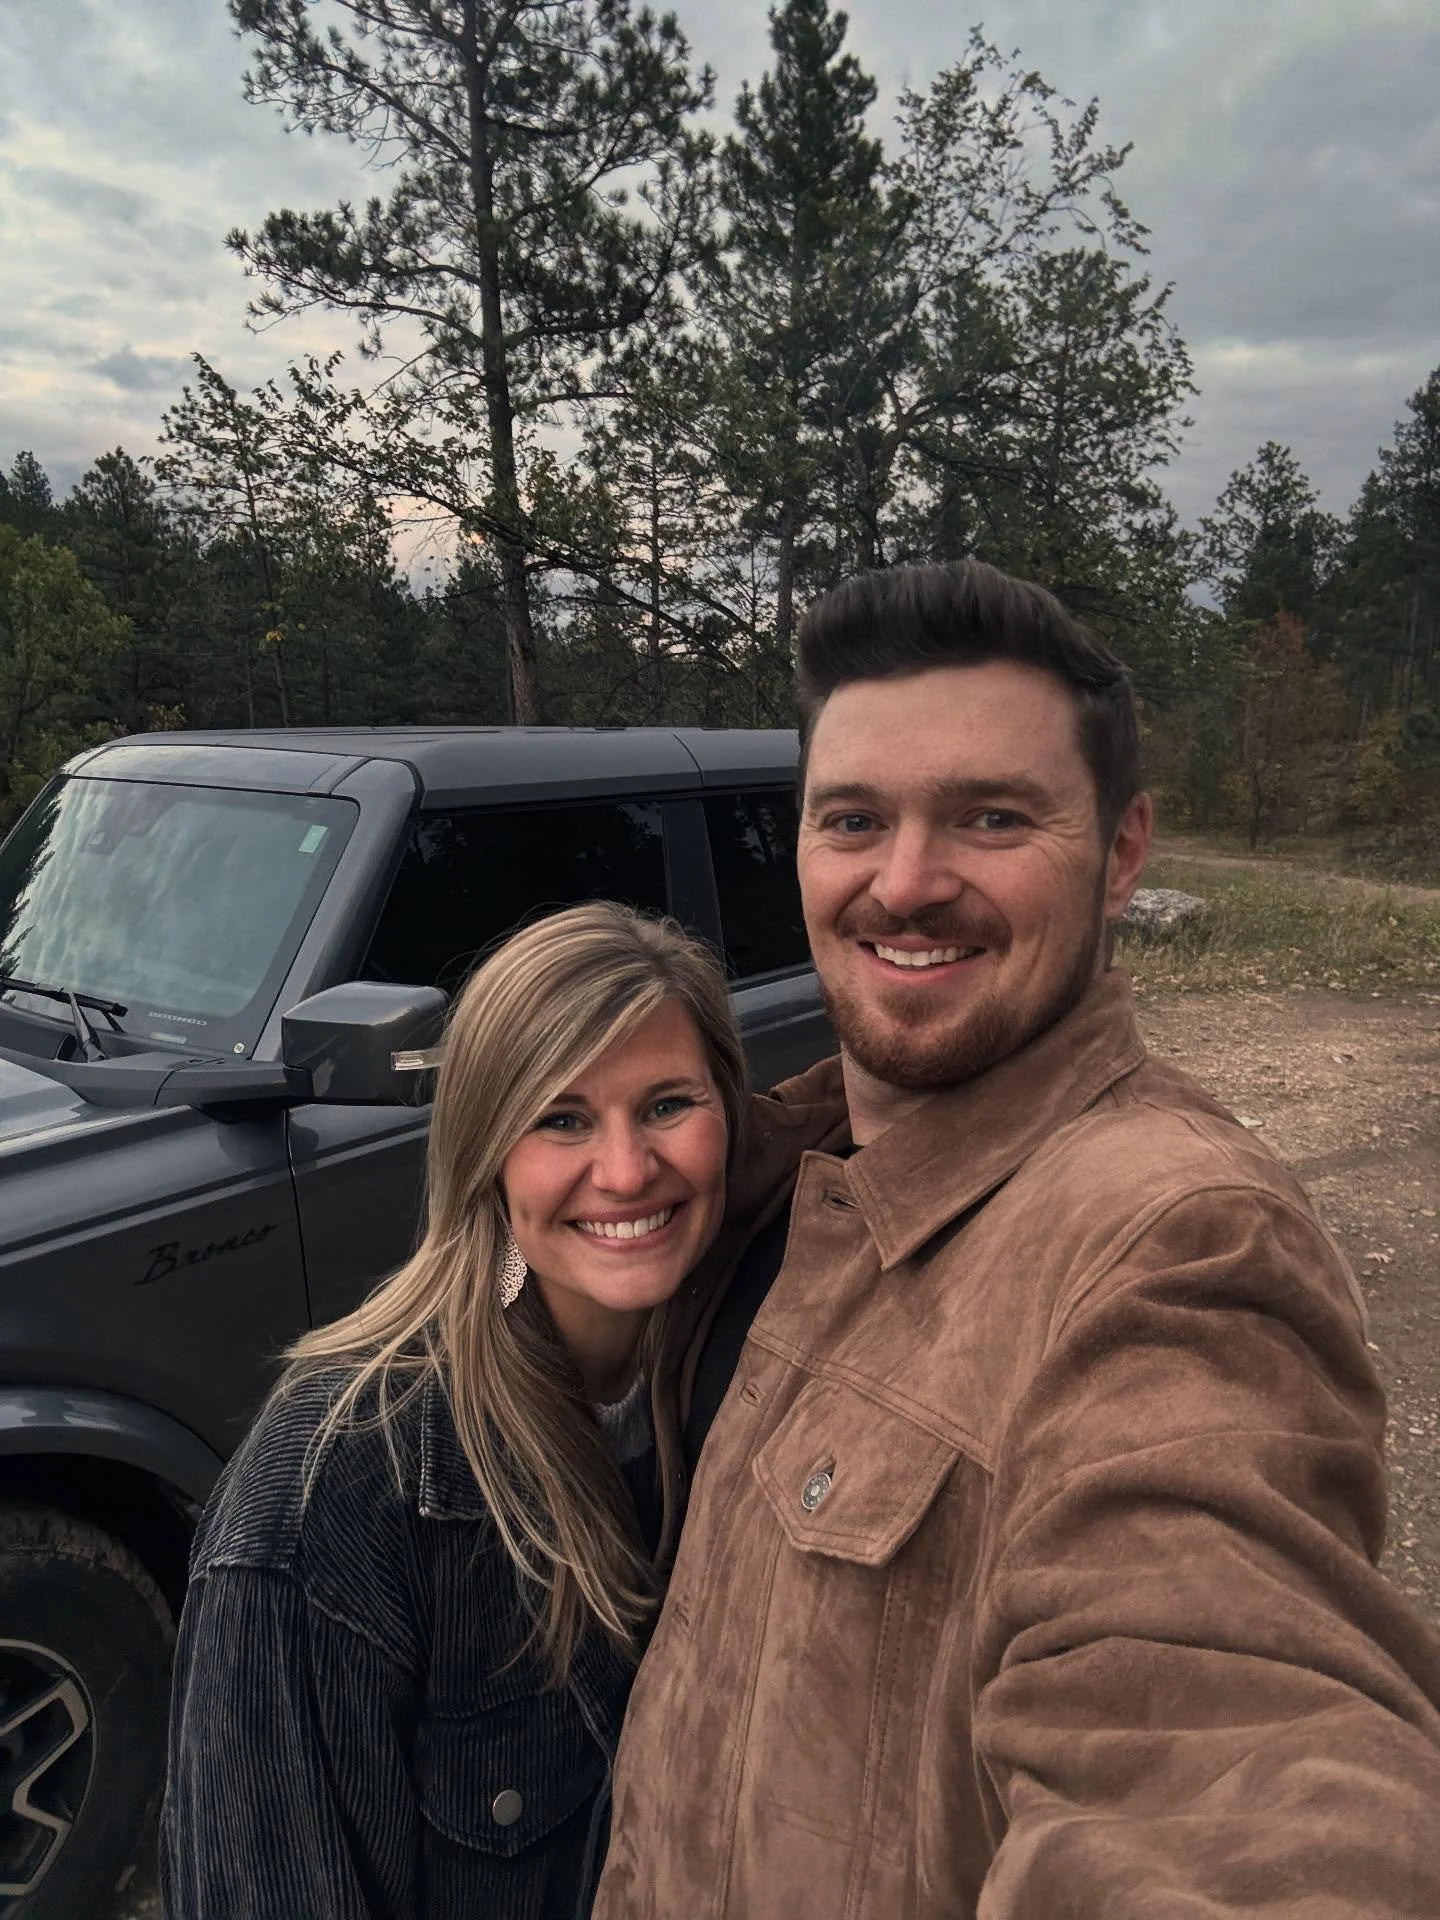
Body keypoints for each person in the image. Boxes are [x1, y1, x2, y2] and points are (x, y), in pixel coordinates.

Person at [595, 559, 1440, 1920]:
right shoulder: (766, 1178)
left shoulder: (1171, 1248)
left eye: (991, 816)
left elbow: (1221, 1745)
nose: (907, 883)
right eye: (854, 819)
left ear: (1122, 854)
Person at [159, 901, 844, 1920]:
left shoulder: (753, 1377)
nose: (623, 1170)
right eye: (561, 1118)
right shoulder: (328, 1497)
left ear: (731, 1117)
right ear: (485, 1147)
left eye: (667, 1105)